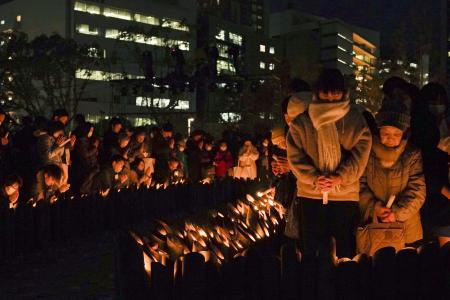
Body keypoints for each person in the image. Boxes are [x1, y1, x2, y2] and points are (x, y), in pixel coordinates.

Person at [287, 68, 372, 258]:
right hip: (311, 195)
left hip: (345, 195)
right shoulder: (302, 122)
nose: (331, 96)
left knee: (344, 251)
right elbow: (295, 157)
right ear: (317, 92)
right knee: (311, 251)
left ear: (343, 91)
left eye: (336, 91)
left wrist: (339, 177)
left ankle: (344, 285)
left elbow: (361, 154)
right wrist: (315, 178)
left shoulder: (354, 119)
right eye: (326, 91)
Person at [359, 97, 426, 246]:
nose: (390, 139)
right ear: (378, 131)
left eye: (396, 134)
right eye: (386, 134)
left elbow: (418, 190)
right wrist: (374, 207)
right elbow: (359, 184)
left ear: (404, 134)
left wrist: (396, 213)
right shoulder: (368, 152)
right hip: (373, 226)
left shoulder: (412, 154)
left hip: (406, 227)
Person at [419, 82, 450, 246]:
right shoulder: (423, 130)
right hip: (435, 201)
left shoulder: (446, 125)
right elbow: (425, 169)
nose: (438, 105)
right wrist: (444, 190)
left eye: (441, 100)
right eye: (433, 101)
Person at [71, 122, 99, 193]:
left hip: (88, 168)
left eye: (92, 131)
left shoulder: (86, 140)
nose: (91, 132)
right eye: (90, 130)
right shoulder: (81, 141)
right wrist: (94, 147)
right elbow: (85, 154)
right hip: (84, 169)